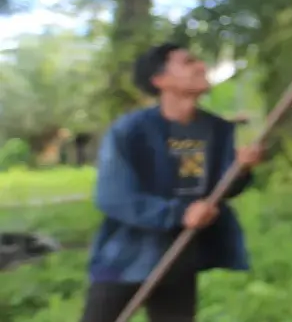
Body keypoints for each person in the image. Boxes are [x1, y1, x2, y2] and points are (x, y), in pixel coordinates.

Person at [80, 43, 263, 322]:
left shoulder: (217, 129)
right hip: (127, 257)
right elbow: (113, 197)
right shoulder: (130, 131)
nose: (201, 66)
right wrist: (179, 213)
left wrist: (241, 169)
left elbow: (222, 190)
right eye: (188, 62)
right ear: (160, 80)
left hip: (180, 255)